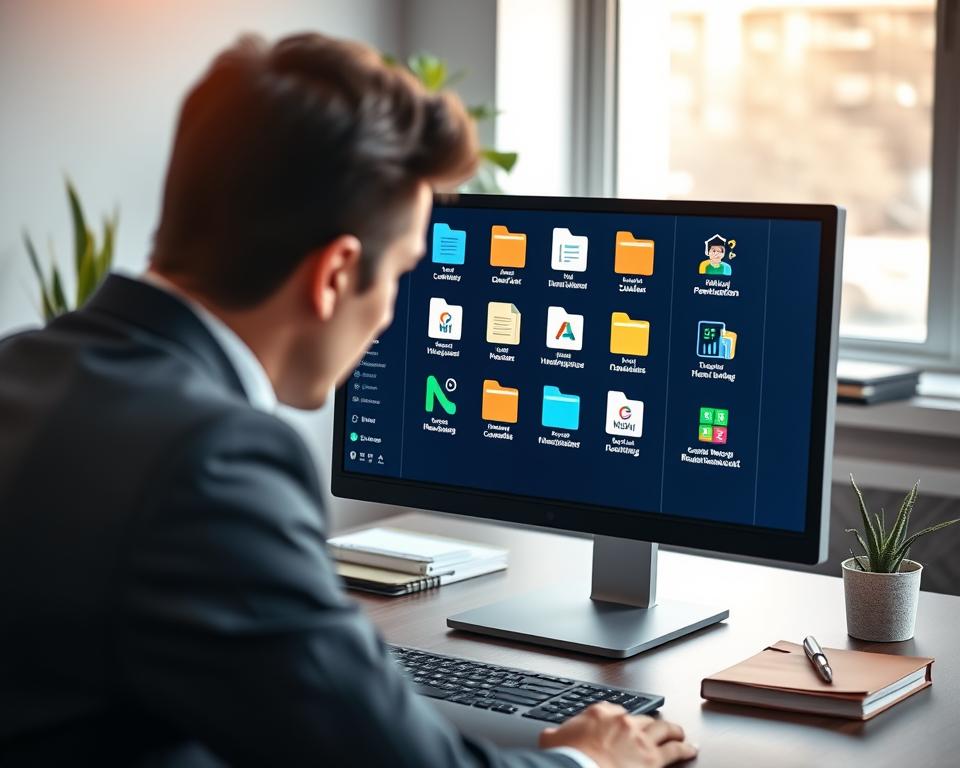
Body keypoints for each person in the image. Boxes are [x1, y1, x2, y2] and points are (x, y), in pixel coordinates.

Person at [0, 33, 697, 768]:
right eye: (400, 274)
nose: (392, 313)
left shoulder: (22, 364)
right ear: (335, 274)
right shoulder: (211, 462)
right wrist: (594, 760)